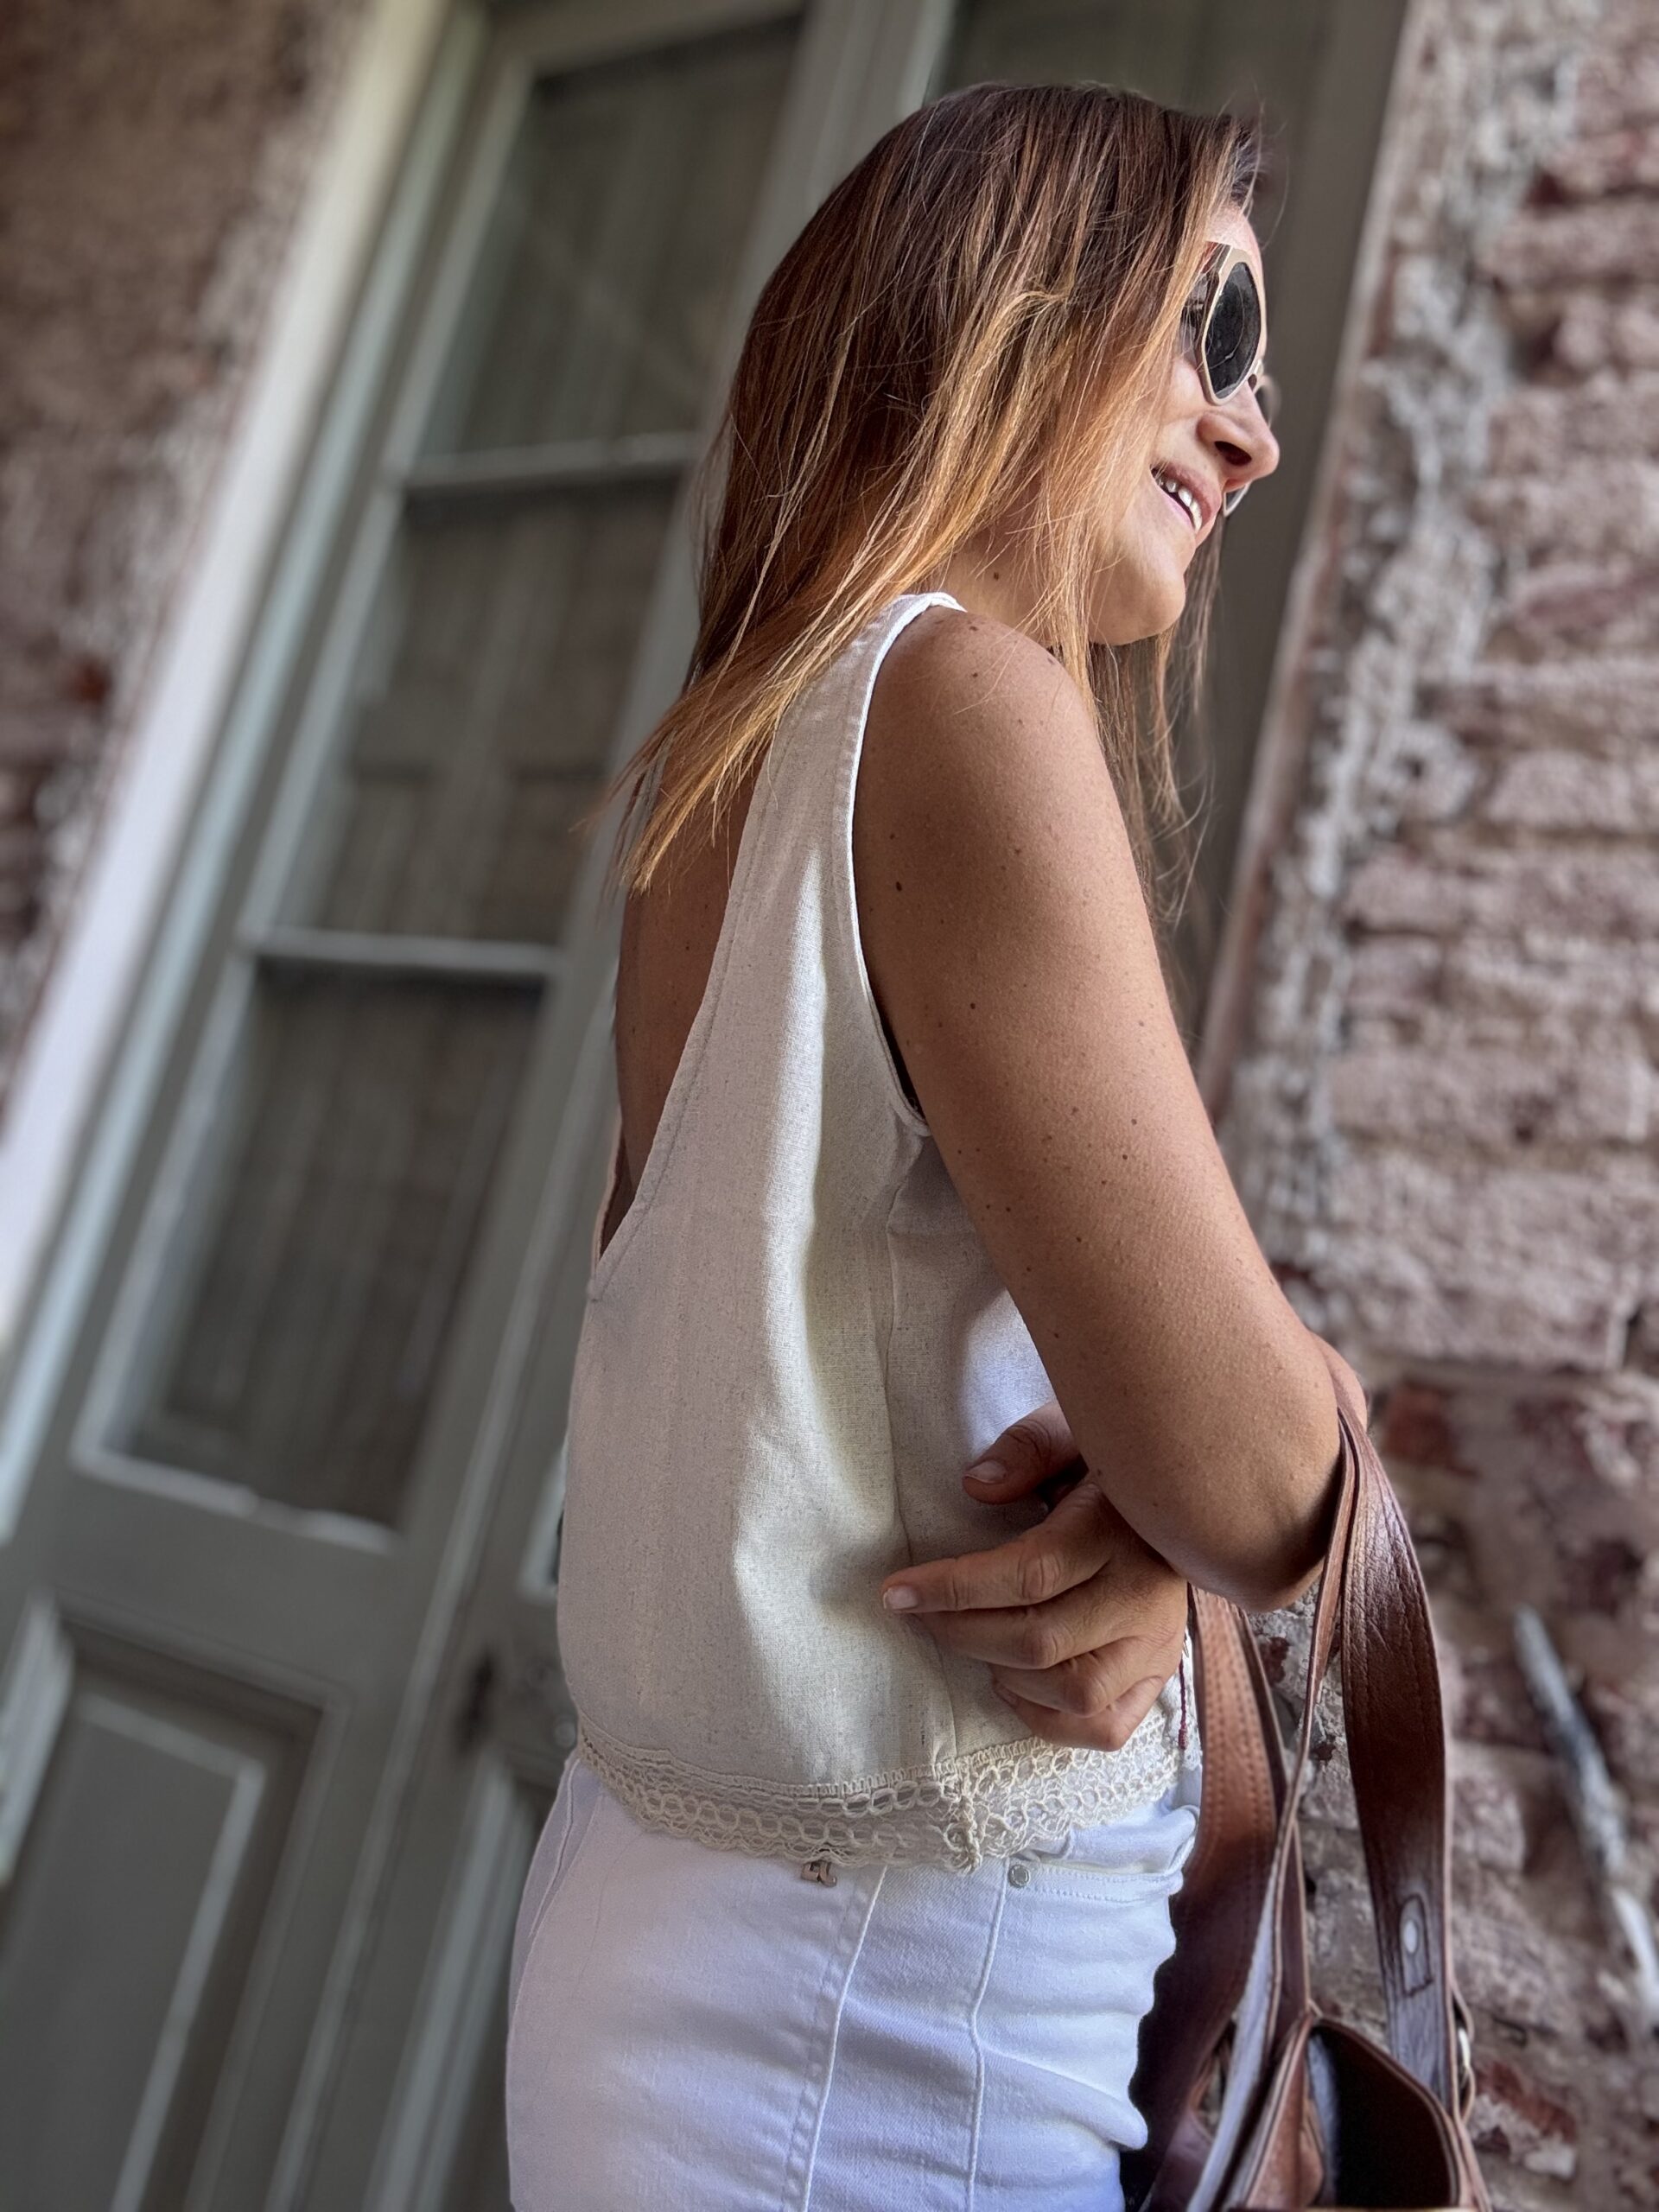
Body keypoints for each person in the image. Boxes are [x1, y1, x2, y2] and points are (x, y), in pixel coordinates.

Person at [505, 79, 1358, 2212]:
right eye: (1215, 335)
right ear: (1020, 303)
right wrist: (1263, 1446)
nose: (1252, 432)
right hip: (867, 2006)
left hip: (708, 1921)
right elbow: (1269, 1485)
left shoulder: (749, 743)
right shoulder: (965, 702)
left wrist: (1150, 1515)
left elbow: (904, 1379)